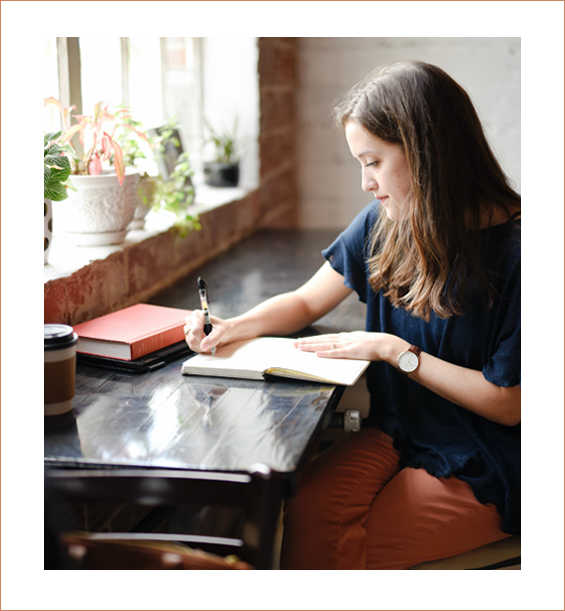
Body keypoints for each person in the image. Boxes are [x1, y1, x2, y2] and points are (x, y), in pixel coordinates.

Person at [184, 60, 521, 570]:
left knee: (342, 554)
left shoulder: (524, 253)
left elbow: (508, 404)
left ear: (428, 154)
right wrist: (233, 326)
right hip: (397, 430)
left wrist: (395, 351)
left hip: (489, 454)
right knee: (307, 515)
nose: (365, 183)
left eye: (374, 162)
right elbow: (305, 301)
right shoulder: (388, 220)